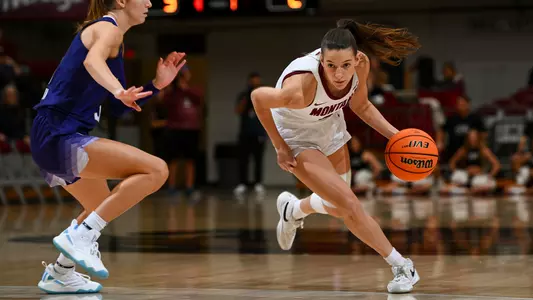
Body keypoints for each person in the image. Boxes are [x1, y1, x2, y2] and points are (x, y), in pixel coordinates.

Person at [251, 19, 421, 293]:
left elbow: (362, 106)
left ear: (356, 59)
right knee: (350, 205)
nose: (339, 73)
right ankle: (402, 266)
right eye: (331, 66)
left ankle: (294, 210)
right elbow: (258, 97)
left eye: (345, 65)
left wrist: (397, 137)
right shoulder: (303, 85)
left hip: (329, 125)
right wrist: (279, 146)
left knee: (338, 207)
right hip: (296, 135)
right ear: (321, 61)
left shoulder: (361, 65)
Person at [31, 0, 186, 294]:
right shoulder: (107, 28)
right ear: (122, 1)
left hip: (51, 135)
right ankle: (82, 237)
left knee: (100, 206)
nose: (151, 3)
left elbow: (118, 107)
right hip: (58, 132)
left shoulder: (116, 38)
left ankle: (60, 273)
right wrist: (117, 89)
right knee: (157, 170)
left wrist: (156, 84)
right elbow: (93, 63)